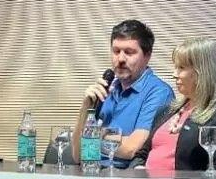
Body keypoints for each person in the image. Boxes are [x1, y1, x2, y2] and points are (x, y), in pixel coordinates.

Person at [72, 20, 174, 167]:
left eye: (129, 52)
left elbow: (132, 148)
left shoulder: (158, 92)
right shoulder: (107, 89)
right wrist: (86, 106)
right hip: (90, 172)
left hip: (125, 176)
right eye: (116, 51)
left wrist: (92, 136)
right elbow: (77, 154)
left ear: (147, 56)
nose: (120, 59)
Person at [130, 38, 216, 171]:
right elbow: (141, 154)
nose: (174, 74)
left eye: (181, 68)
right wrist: (138, 169)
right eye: (175, 67)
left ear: (202, 72)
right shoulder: (167, 111)